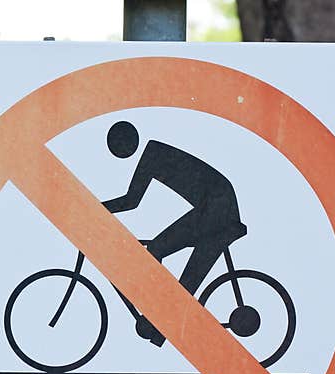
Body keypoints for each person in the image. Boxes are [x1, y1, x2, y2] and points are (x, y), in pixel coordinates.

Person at [101, 120, 248, 346]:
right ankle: (159, 327)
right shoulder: (155, 151)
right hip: (219, 205)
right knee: (184, 280)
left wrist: (96, 208)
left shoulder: (152, 153)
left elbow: (132, 201)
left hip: (218, 206)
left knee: (158, 249)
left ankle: (157, 321)